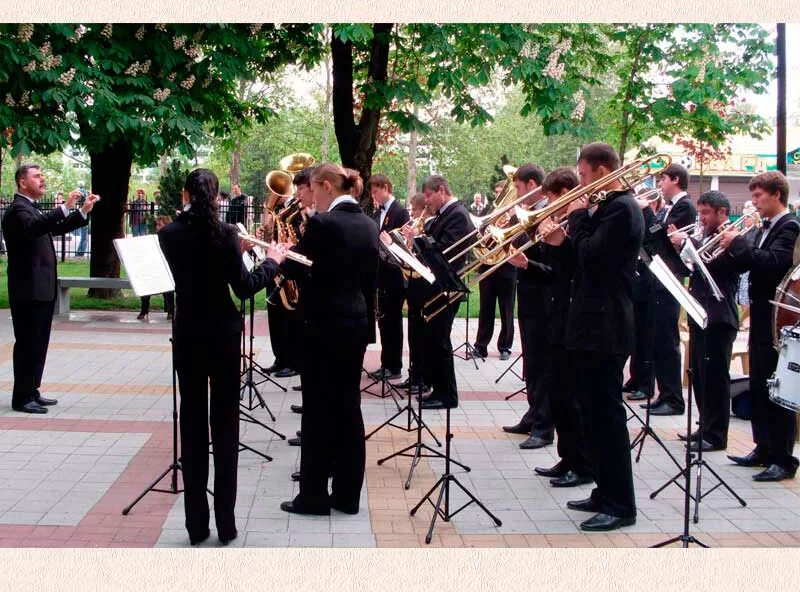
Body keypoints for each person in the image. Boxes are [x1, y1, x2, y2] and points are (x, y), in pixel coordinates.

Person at [158, 168, 286, 545]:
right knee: (226, 430)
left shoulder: (168, 235)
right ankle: (226, 525)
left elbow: (190, 261)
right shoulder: (227, 235)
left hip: (189, 334)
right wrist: (272, 261)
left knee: (193, 428)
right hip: (224, 337)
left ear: (185, 194)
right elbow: (244, 288)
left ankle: (196, 526)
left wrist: (235, 251)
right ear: (216, 196)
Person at [279, 163, 379, 516]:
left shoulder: (322, 222)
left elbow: (296, 265)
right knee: (349, 408)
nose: (311, 197)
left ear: (325, 187)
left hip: (323, 324)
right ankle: (348, 495)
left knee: (318, 410)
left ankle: (314, 496)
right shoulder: (369, 223)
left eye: (314, 189)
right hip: (355, 322)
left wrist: (277, 254)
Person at [562, 142, 642, 531]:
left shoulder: (624, 209)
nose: (580, 182)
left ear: (602, 169)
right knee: (591, 413)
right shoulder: (608, 207)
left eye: (583, 174)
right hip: (591, 323)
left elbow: (593, 256)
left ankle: (621, 505)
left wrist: (577, 219)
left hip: (606, 326)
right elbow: (582, 256)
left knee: (607, 417)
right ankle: (603, 490)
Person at [718, 171, 800, 481]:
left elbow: (774, 263)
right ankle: (763, 446)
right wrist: (729, 246)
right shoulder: (765, 227)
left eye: (758, 196)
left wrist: (738, 243)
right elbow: (747, 262)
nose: (754, 202)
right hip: (761, 312)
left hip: (779, 315)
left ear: (776, 195)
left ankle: (783, 457)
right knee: (760, 380)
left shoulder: (789, 226)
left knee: (778, 385)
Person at [2, 164, 99, 414]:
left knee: (38, 343)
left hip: (40, 288)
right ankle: (21, 397)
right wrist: (64, 207)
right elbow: (36, 228)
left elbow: (52, 228)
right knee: (27, 343)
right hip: (27, 289)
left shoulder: (30, 209)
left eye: (42, 175)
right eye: (37, 176)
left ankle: (32, 391)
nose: (42, 179)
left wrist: (82, 212)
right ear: (22, 182)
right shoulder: (17, 211)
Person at [527, 167, 593, 488]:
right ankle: (567, 457)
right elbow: (554, 274)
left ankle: (580, 463)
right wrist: (526, 263)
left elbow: (584, 267)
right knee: (557, 393)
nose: (551, 205)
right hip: (556, 316)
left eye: (555, 199)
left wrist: (562, 242)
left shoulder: (584, 219)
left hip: (574, 320)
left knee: (571, 397)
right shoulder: (568, 223)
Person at [670, 191, 739, 451]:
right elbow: (693, 269)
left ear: (722, 212)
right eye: (700, 213)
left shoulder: (731, 238)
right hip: (700, 311)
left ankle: (716, 434)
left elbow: (720, 268)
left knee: (715, 377)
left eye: (706, 213)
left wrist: (689, 243)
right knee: (699, 373)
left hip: (720, 315)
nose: (702, 218)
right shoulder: (707, 237)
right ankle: (705, 425)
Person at [402, 175, 474, 410]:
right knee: (432, 339)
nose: (427, 201)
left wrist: (419, 239)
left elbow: (445, 253)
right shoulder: (446, 214)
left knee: (440, 340)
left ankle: (447, 395)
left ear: (441, 190)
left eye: (430, 195)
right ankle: (437, 388)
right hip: (436, 286)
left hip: (446, 287)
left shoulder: (457, 215)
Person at [502, 163, 554, 449]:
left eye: (519, 188)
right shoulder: (529, 215)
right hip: (529, 293)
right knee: (531, 360)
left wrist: (525, 258)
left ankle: (545, 424)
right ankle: (534, 414)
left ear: (532, 185)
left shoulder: (549, 212)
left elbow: (548, 257)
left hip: (544, 296)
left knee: (543, 362)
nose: (517, 195)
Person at [639, 164, 697, 416]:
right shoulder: (670, 206)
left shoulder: (684, 206)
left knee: (667, 339)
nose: (659, 183)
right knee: (658, 338)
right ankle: (664, 393)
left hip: (671, 279)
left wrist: (647, 213)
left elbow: (659, 235)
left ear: (675, 179)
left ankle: (673, 398)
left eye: (662, 178)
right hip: (660, 277)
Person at [367, 173, 410, 381]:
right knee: (384, 321)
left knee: (393, 322)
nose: (374, 196)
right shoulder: (378, 212)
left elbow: (400, 242)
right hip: (380, 274)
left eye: (375, 191)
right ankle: (386, 363)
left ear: (385, 187)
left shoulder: (400, 211)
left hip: (394, 274)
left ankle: (394, 366)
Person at [394, 193, 434, 395]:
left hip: (425, 288)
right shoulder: (420, 228)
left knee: (421, 336)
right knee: (413, 335)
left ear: (424, 210)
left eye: (415, 210)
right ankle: (414, 374)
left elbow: (425, 258)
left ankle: (423, 378)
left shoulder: (428, 228)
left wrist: (412, 240)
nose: (413, 214)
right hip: (414, 287)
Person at [138, 216, 175, 321]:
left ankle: (171, 311)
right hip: (152, 267)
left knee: (168, 290)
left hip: (166, 268)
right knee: (146, 287)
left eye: (160, 225)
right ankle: (144, 310)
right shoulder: (154, 238)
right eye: (157, 225)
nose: (157, 227)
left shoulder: (171, 238)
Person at [74, 181, 90, 256]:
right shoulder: (83, 192)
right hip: (84, 214)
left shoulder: (78, 191)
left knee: (84, 236)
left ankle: (79, 252)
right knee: (84, 236)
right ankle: (80, 252)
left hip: (80, 213)